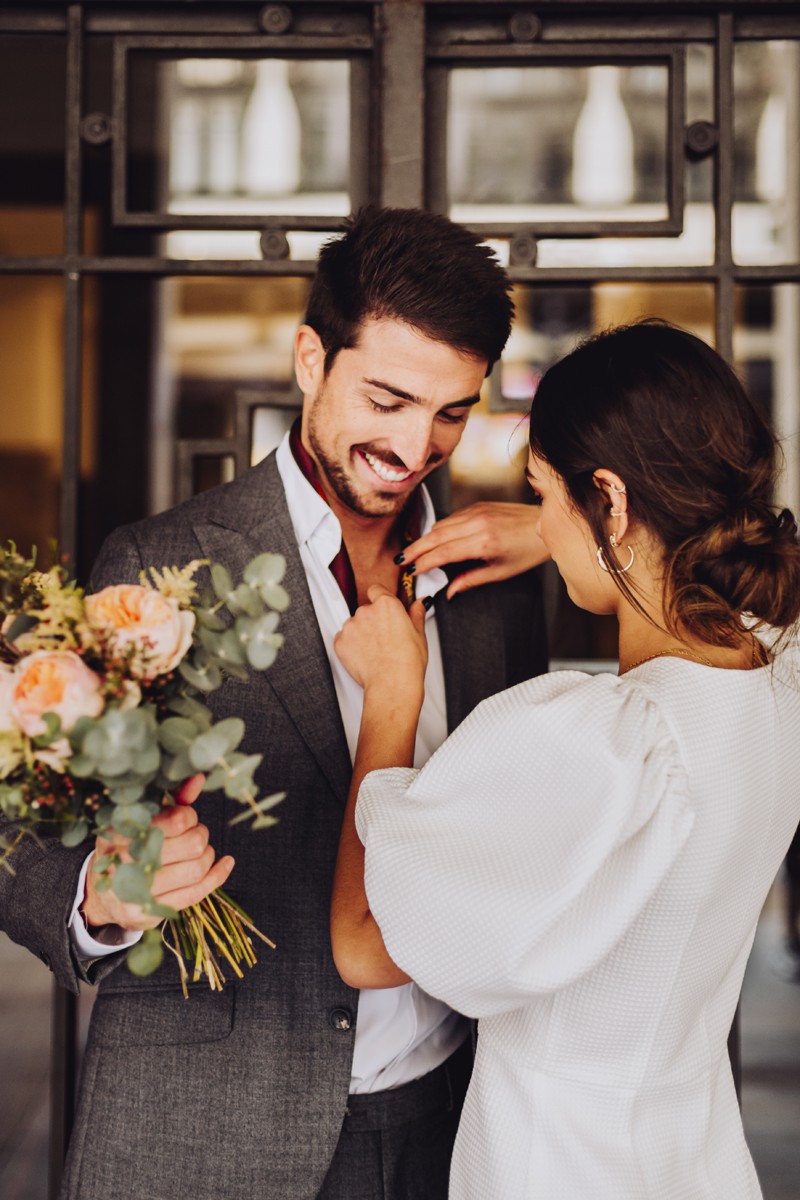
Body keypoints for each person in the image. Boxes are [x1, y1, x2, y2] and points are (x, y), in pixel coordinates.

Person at [0, 206, 548, 1200]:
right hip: (206, 1127)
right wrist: (100, 897)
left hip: (449, 1125)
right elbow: (22, 834)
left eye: (450, 413)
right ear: (310, 358)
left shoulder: (497, 587)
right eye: (385, 398)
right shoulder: (156, 565)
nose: (413, 445)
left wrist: (556, 529)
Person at [331, 319, 800, 1200]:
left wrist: (391, 704)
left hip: (555, 1165)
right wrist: (559, 530)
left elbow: (364, 946)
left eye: (543, 493)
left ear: (612, 501)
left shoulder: (606, 746)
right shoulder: (776, 684)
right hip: (692, 1158)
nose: (539, 519)